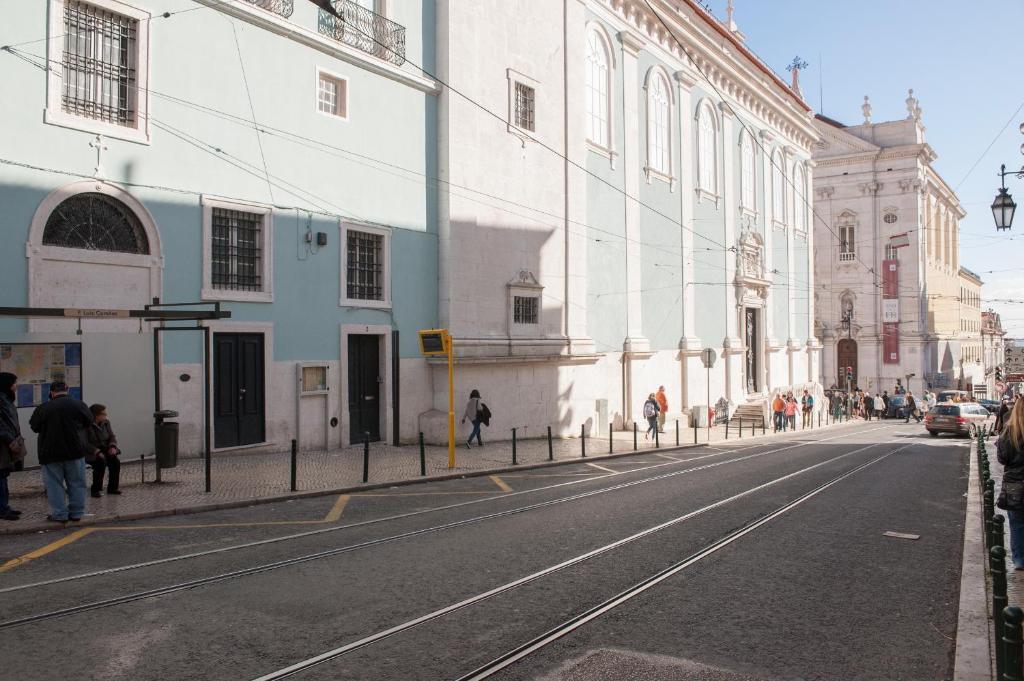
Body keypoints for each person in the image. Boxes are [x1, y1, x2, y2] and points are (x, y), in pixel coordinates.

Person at [29, 382, 92, 523]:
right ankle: (76, 513)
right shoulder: (79, 405)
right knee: (77, 482)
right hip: (75, 451)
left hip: (50, 452)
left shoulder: (43, 408)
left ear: (51, 392)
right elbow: (89, 421)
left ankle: (60, 514)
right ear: (67, 390)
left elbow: (34, 426)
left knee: (54, 485)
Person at [998, 398, 1024, 570]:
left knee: (1017, 524)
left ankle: (1019, 560)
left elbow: (1002, 459)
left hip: (1015, 485)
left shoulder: (1008, 433)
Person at [0, 372, 24, 521]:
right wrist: (10, 440)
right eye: (14, 382)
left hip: (7, 445)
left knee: (4, 476)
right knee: (0, 477)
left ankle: (4, 506)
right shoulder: (1, 401)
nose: (16, 385)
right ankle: (2, 509)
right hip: (2, 445)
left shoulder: (6, 400)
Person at [85, 404, 121, 498]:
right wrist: (96, 451)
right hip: (91, 452)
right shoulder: (86, 425)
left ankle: (113, 488)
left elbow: (112, 436)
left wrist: (112, 447)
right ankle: (96, 489)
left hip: (105, 449)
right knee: (100, 462)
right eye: (103, 413)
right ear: (96, 415)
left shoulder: (106, 422)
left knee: (115, 462)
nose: (106, 415)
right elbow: (84, 442)